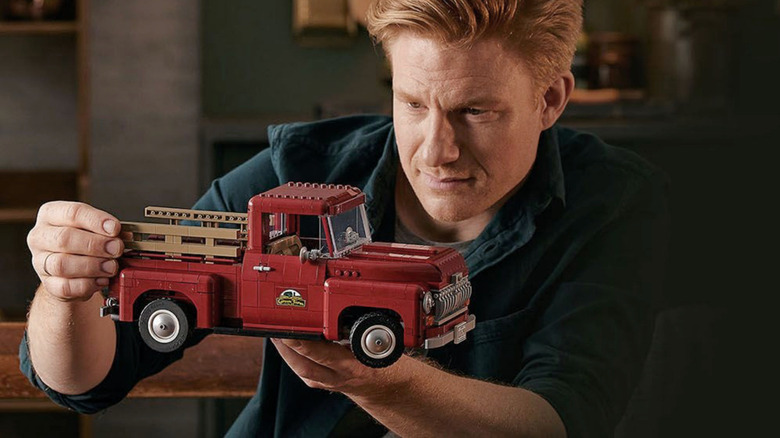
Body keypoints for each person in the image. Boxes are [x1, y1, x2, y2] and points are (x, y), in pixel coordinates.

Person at [21, 1, 670, 437]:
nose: (436, 150)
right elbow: (85, 381)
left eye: (477, 112)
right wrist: (65, 286)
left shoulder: (610, 202)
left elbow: (561, 420)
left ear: (551, 98)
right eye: (413, 103)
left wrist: (381, 383)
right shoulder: (299, 169)